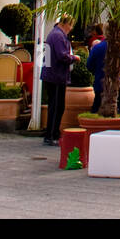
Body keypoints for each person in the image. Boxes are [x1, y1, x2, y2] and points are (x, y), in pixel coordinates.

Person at [41, 17, 77, 146]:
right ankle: (52, 134)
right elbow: (62, 55)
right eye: (71, 26)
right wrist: (74, 58)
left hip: (54, 74)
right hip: (56, 75)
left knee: (56, 105)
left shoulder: (55, 34)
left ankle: (52, 133)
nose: (71, 29)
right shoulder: (58, 36)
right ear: (66, 24)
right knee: (56, 106)